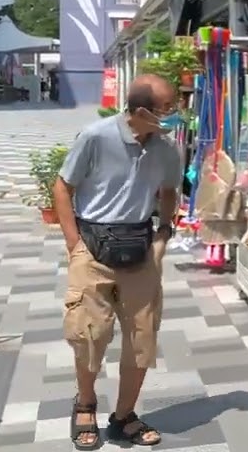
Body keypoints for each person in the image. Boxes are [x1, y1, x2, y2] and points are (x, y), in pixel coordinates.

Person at [54, 74, 183, 449]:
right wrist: (74, 243)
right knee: (88, 334)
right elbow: (63, 187)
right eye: (167, 109)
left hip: (140, 248)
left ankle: (124, 415)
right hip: (93, 247)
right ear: (142, 110)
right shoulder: (95, 137)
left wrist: (163, 231)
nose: (174, 114)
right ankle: (85, 403)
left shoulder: (165, 148)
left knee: (142, 338)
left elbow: (169, 191)